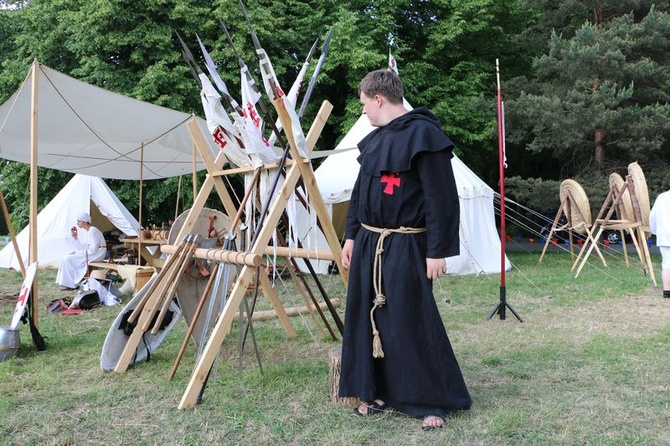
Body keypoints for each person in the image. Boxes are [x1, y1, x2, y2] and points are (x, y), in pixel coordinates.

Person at [338, 69, 471, 431]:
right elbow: (360, 194)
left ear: (378, 98)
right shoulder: (375, 141)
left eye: (364, 103)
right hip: (369, 241)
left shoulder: (425, 136)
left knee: (410, 319)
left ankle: (430, 399)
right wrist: (350, 237)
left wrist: (437, 250)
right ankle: (377, 390)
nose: (363, 110)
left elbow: (442, 199)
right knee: (370, 319)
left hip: (408, 243)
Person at [56, 213, 107, 290]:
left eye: (79, 221)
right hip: (93, 253)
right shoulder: (88, 231)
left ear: (85, 222)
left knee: (68, 258)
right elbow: (83, 248)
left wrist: (77, 253)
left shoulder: (93, 231)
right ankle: (67, 283)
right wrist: (75, 237)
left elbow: (93, 250)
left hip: (98, 253)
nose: (77, 223)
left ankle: (71, 283)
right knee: (66, 257)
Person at [649, 188, 670, 298]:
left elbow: (652, 216)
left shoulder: (661, 197)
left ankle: (667, 292)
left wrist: (654, 230)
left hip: (664, 235)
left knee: (667, 264)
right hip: (664, 234)